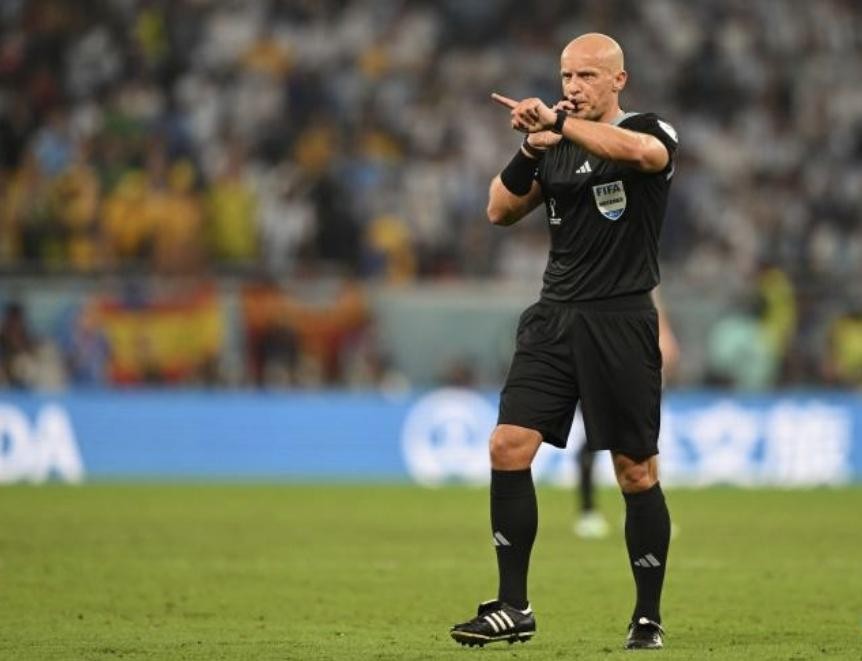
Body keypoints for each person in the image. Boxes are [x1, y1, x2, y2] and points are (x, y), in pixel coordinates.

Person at [449, 33, 679, 650]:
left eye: (586, 76)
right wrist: (531, 146)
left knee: (634, 472)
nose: (572, 87)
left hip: (620, 321)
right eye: (566, 76)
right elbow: (498, 210)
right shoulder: (555, 143)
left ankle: (647, 615)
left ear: (618, 81)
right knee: (507, 445)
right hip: (553, 319)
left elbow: (642, 154)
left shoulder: (648, 129)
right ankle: (513, 606)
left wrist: (558, 124)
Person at [574, 288, 680, 539]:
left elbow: (653, 297)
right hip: (598, 359)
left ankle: (642, 512)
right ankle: (588, 511)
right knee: (591, 438)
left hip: (636, 361)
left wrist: (664, 334)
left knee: (643, 441)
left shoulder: (640, 276)